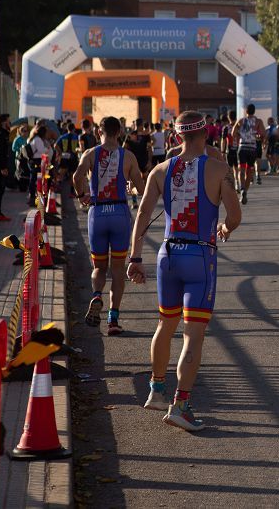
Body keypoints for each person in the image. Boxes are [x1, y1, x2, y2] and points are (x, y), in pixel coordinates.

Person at [127, 111, 241, 432]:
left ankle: (156, 389)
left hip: (168, 253)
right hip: (200, 256)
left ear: (176, 137)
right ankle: (181, 404)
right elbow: (234, 216)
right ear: (206, 134)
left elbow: (143, 215)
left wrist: (135, 258)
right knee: (193, 334)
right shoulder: (219, 169)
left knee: (165, 324)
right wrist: (224, 228)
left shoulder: (160, 171)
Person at [73, 116, 146, 335]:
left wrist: (82, 194)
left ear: (99, 132)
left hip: (98, 213)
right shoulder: (128, 156)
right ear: (120, 132)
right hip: (119, 213)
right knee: (117, 270)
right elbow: (141, 188)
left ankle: (96, 295)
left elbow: (77, 176)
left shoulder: (91, 154)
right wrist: (132, 186)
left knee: (98, 268)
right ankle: (113, 320)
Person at [232, 104, 264, 204]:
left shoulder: (241, 121)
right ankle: (245, 190)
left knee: (241, 170)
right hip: (252, 148)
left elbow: (233, 133)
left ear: (246, 111)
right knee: (249, 170)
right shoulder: (258, 121)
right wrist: (259, 139)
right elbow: (263, 133)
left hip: (242, 147)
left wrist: (238, 137)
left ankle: (241, 189)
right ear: (254, 111)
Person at [26, 125, 52, 207]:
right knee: (41, 179)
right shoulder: (38, 140)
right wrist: (47, 148)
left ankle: (34, 197)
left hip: (36, 161)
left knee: (35, 179)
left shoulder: (36, 138)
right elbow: (41, 150)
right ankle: (35, 198)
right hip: (37, 161)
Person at [55, 121, 82, 194]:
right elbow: (80, 146)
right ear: (74, 129)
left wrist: (60, 152)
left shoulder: (63, 136)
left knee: (62, 173)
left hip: (64, 156)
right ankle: (72, 191)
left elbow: (55, 145)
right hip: (73, 157)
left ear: (67, 129)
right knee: (72, 174)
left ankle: (58, 187)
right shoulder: (76, 136)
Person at [221, 111, 238, 191]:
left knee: (230, 169)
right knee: (237, 168)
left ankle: (233, 185)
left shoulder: (226, 128)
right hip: (238, 149)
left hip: (229, 150)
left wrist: (222, 151)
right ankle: (238, 184)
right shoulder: (239, 126)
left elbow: (223, 140)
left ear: (228, 117)